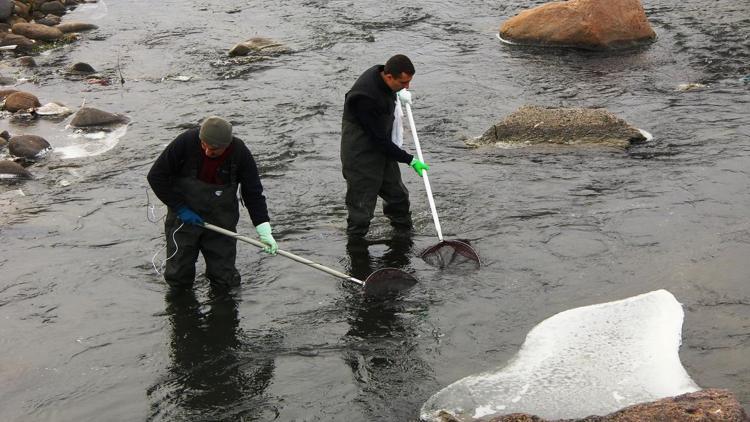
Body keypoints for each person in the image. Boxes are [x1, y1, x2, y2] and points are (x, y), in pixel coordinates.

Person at [147, 116, 278, 290]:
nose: (208, 151)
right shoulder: (186, 142)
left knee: (224, 279)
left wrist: (263, 228)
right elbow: (156, 176)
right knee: (178, 276)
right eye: (204, 145)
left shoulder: (240, 152)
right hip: (184, 219)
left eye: (214, 149)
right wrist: (180, 208)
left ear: (227, 145)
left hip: (221, 221)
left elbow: (253, 192)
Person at [340, 54, 429, 238]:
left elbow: (383, 141)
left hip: (383, 152)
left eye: (409, 82)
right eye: (403, 83)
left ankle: (403, 238)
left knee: (398, 197)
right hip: (361, 156)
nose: (407, 87)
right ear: (389, 77)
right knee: (362, 211)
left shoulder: (383, 75)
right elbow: (379, 140)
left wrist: (398, 93)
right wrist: (410, 159)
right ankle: (357, 253)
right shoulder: (364, 98)